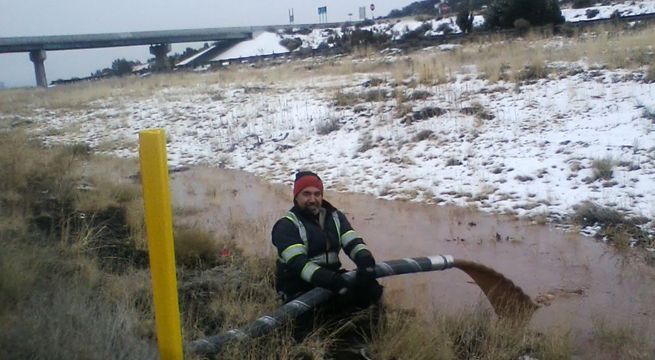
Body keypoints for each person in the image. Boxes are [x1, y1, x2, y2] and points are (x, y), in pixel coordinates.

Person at [271, 171, 383, 340]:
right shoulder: (286, 225)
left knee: (372, 289)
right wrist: (332, 281)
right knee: (309, 328)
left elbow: (353, 242)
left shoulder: (335, 217)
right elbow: (299, 265)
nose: (312, 199)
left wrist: (365, 260)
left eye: (317, 194)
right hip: (298, 287)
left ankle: (367, 341)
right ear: (296, 197)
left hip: (331, 279)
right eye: (306, 194)